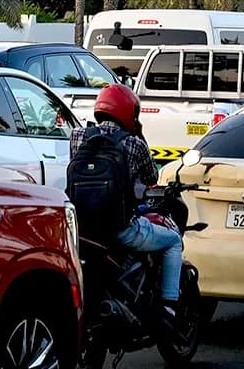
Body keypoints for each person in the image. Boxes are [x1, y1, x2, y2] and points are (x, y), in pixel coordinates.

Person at [69, 83, 183, 331]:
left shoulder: (77, 136)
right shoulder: (134, 143)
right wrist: (139, 134)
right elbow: (152, 177)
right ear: (129, 112)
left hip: (83, 229)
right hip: (120, 229)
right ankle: (169, 307)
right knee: (173, 241)